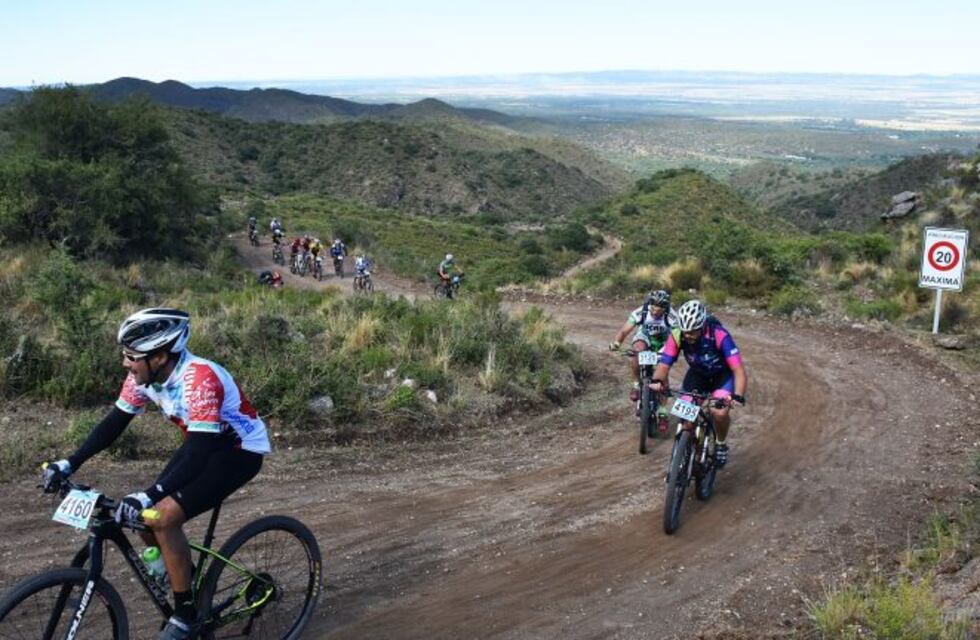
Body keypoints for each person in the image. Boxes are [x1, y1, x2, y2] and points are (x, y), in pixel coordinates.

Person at [41, 309, 271, 639]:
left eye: (132, 356)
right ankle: (185, 582)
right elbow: (114, 424)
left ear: (160, 356)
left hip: (237, 453)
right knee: (143, 517)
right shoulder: (144, 376)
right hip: (201, 445)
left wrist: (148, 495)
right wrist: (70, 463)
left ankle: (187, 614)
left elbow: (198, 453)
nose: (125, 363)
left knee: (160, 515)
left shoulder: (200, 379)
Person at [650, 300, 747, 468]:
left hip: (722, 377)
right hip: (698, 375)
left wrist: (737, 396)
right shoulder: (677, 334)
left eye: (693, 332)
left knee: (719, 413)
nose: (688, 335)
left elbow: (738, 370)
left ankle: (721, 444)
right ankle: (687, 449)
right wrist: (658, 381)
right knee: (687, 419)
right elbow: (664, 364)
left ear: (702, 326)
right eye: (685, 331)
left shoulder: (719, 335)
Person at [608, 290, 678, 432]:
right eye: (652, 307)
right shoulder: (642, 312)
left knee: (662, 372)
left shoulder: (672, 316)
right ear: (649, 304)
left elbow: (677, 337)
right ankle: (636, 385)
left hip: (664, 342)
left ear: (665, 308)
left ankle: (663, 411)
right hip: (644, 338)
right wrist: (616, 343)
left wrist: (672, 352)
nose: (654, 312)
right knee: (636, 352)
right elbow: (624, 330)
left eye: (659, 310)